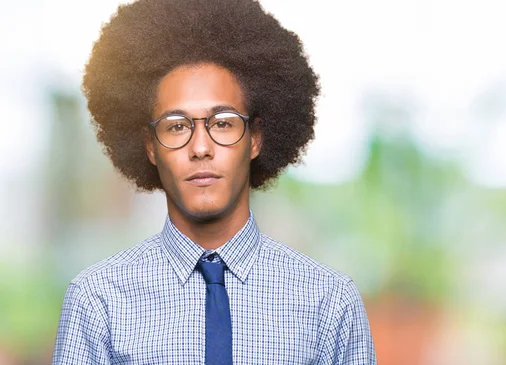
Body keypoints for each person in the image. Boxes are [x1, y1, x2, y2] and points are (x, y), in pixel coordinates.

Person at [52, 0, 376, 364]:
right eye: (177, 126)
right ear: (150, 147)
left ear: (255, 138)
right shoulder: (98, 302)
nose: (201, 147)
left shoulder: (328, 304)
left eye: (222, 122)